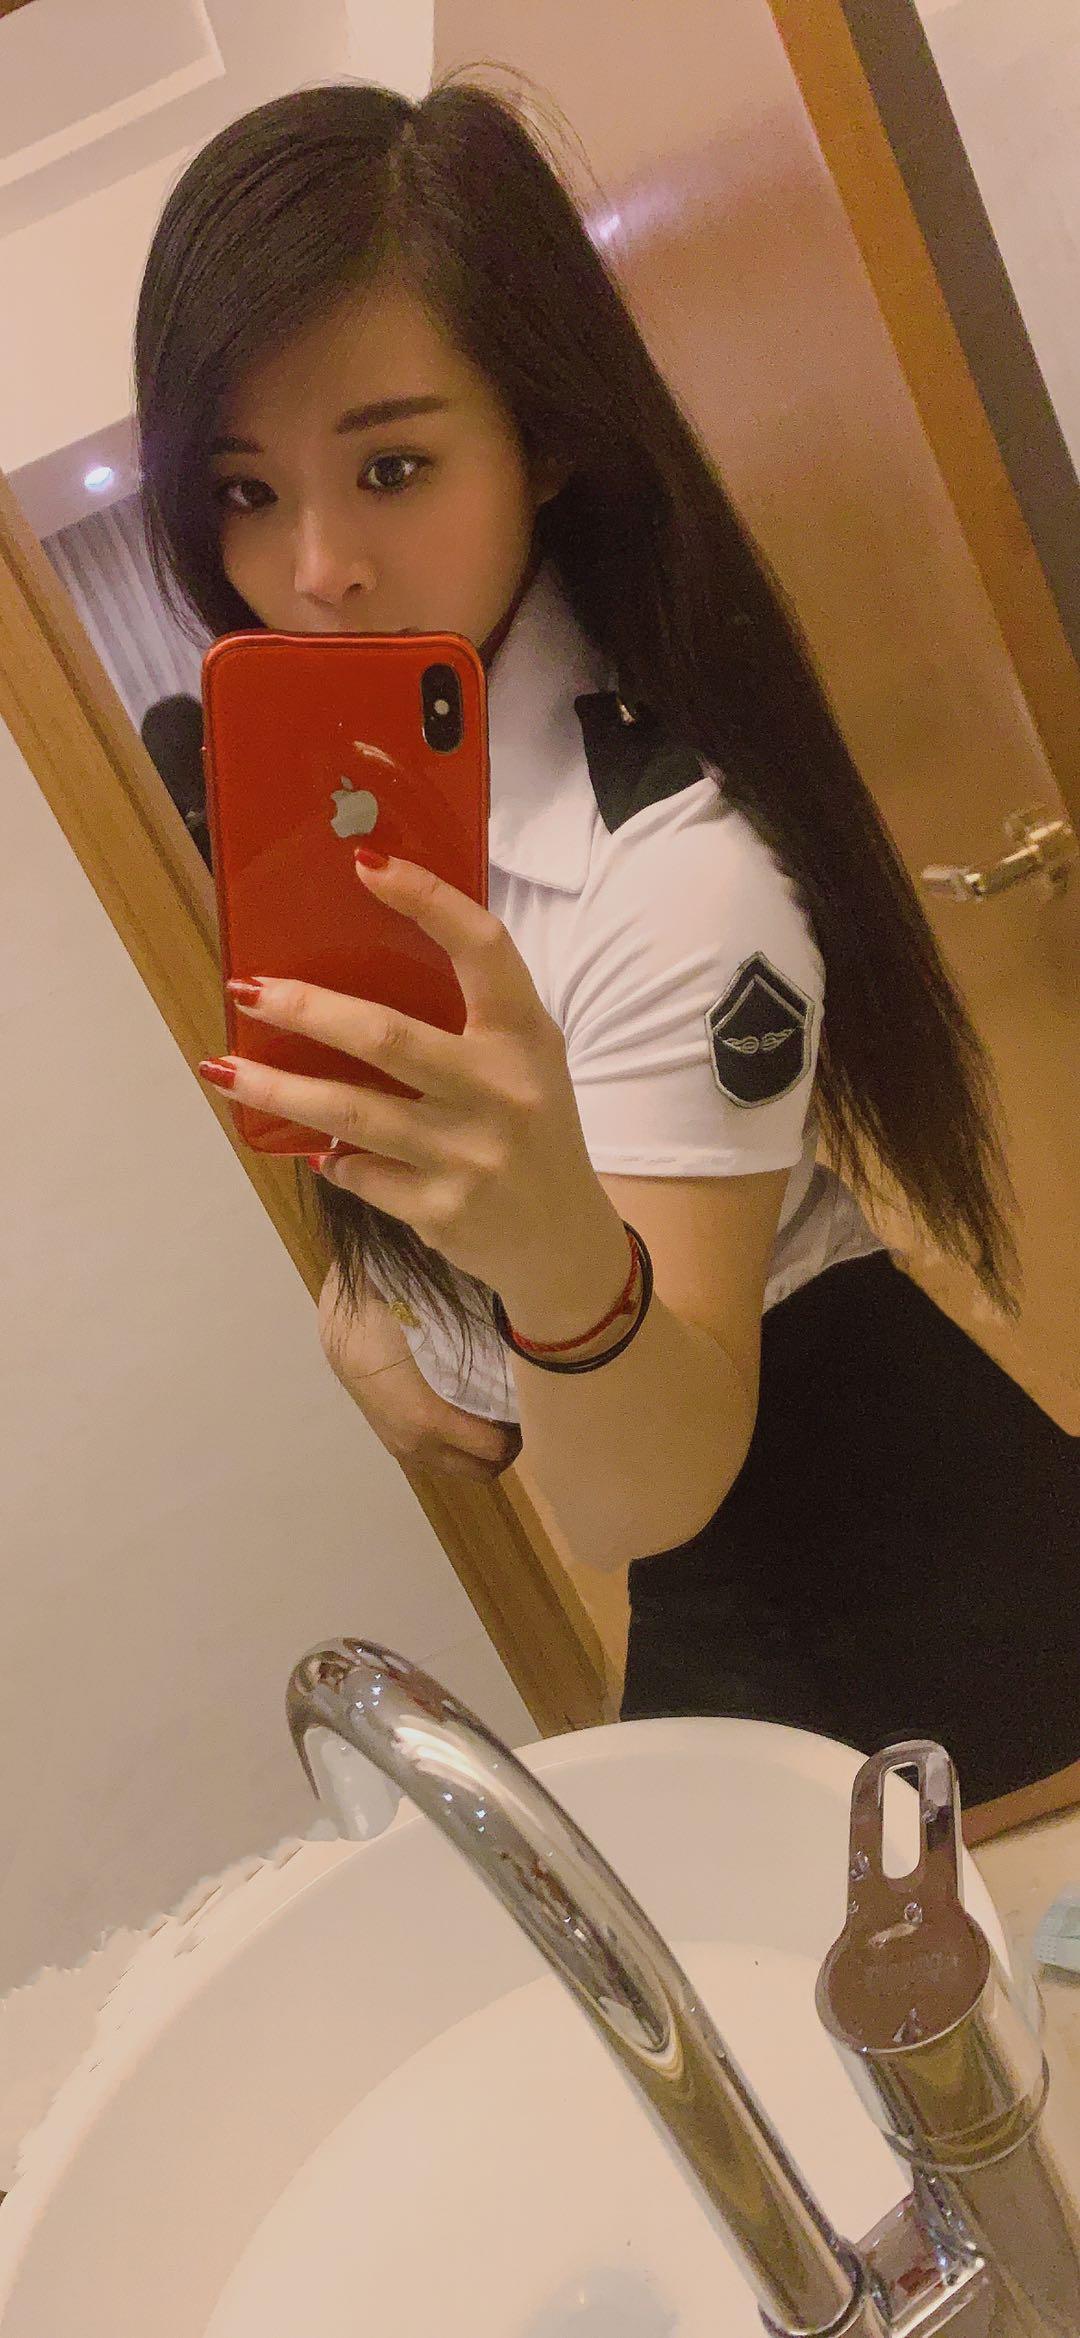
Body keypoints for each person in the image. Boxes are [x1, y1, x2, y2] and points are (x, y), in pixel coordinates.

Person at [133, 78, 1078, 1814]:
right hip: (740, 1602)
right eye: (246, 490)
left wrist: (541, 1259)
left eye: (393, 467)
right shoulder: (391, 806)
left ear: (543, 439)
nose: (317, 568)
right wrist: (376, 1300)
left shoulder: (678, 879)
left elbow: (627, 1493)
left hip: (932, 1624)